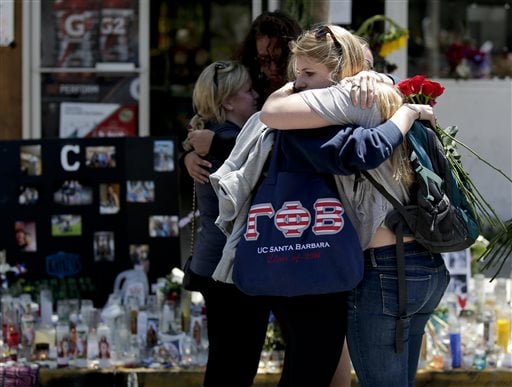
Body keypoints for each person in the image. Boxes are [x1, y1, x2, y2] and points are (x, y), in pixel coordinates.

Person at [260, 24, 448, 387]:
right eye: (297, 75)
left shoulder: (343, 98)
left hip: (383, 270)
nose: (300, 83)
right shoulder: (383, 94)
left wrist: (286, 89)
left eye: (308, 73)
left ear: (338, 70)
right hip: (424, 263)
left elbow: (272, 112)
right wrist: (380, 84)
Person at [182, 60, 271, 387]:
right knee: (236, 365)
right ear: (228, 102)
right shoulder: (229, 139)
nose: (256, 96)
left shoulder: (216, 136)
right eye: (248, 90)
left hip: (215, 262)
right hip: (231, 267)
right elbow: (266, 157)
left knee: (225, 361)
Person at [182, 10, 302, 185]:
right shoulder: (248, 86)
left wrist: (217, 144)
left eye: (281, 59)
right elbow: (205, 126)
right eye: (264, 59)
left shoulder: (306, 88)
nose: (273, 68)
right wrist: (188, 157)